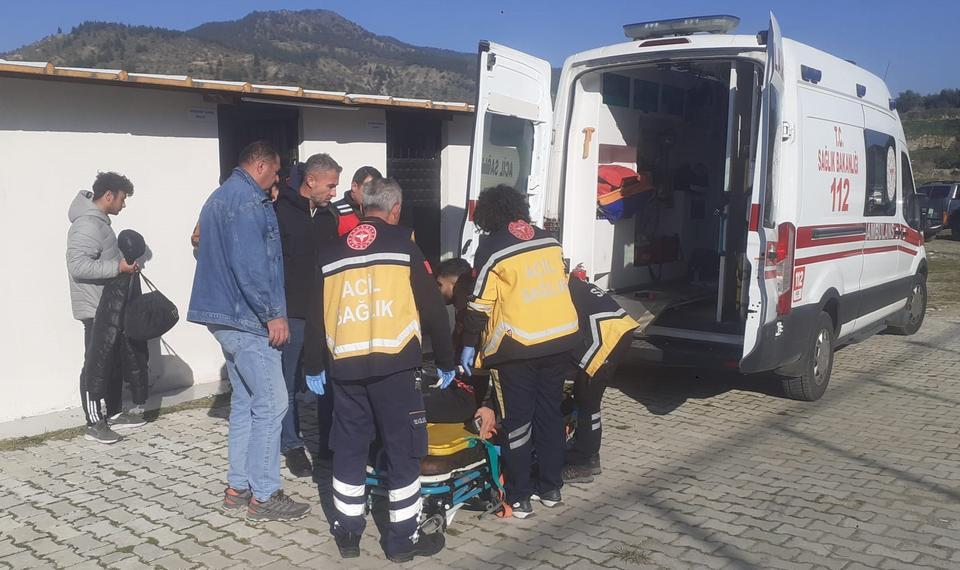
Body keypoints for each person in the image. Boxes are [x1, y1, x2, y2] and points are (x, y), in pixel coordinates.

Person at [303, 178, 455, 562]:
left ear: (361, 206)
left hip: (345, 368)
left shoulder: (331, 252)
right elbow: (434, 309)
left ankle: (347, 534)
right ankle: (402, 541)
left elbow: (315, 314)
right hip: (396, 366)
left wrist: (314, 364)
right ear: (396, 209)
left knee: (349, 449)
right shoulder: (404, 245)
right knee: (403, 452)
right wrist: (446, 360)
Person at [187, 140, 311, 522]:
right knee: (273, 404)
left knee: (245, 403)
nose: (278, 180)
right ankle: (265, 494)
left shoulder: (218, 198)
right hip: (247, 320)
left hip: (224, 317)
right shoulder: (245, 202)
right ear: (260, 166)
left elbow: (202, 245)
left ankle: (238, 487)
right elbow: (251, 265)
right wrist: (273, 314)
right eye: (275, 172)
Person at [460, 185, 580, 519]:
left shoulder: (492, 248)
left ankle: (519, 496)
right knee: (550, 415)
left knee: (517, 421)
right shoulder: (549, 240)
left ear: (487, 215)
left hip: (517, 347)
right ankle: (551, 488)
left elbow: (480, 304)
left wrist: (469, 342)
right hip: (559, 339)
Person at [273, 153, 342, 477]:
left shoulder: (330, 217)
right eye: (330, 185)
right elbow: (272, 265)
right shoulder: (281, 212)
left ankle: (326, 443)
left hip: (324, 314)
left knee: (320, 381)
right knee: (287, 383)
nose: (334, 192)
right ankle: (291, 444)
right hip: (292, 314)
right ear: (310, 181)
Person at [66, 171, 146, 444]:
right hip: (94, 308)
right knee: (95, 364)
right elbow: (78, 266)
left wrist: (123, 265)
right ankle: (93, 423)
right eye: (122, 198)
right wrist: (117, 267)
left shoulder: (100, 223)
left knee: (111, 361)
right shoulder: (87, 225)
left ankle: (113, 413)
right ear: (109, 195)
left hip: (107, 306)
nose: (124, 204)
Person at [563, 269, 639, 484]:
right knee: (586, 396)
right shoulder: (571, 281)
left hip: (607, 336)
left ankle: (583, 463)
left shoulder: (557, 288)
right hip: (619, 329)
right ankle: (589, 452)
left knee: (587, 400)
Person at [332, 165, 382, 236]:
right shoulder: (334, 212)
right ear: (354, 186)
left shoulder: (380, 212)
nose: (372, 194)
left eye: (377, 190)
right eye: (368, 189)